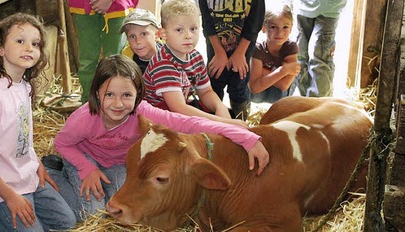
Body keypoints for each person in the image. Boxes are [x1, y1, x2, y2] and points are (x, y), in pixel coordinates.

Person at [51, 54, 269, 221]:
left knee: (122, 201)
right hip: (85, 158)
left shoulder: (143, 112)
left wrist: (244, 136)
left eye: (127, 95)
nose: (118, 104)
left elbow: (189, 123)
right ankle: (54, 172)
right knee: (89, 211)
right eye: (109, 94)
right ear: (97, 94)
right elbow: (61, 143)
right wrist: (86, 169)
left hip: (118, 164)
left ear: (138, 95)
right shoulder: (85, 118)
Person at [0, 13, 77, 232]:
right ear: (0, 49)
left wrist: (37, 164)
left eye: (35, 43)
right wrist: (9, 197)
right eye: (20, 41)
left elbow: (24, 135)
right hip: (1, 189)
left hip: (27, 178)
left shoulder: (24, 87)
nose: (29, 48)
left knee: (66, 222)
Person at [143, 0, 245, 126]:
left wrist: (220, 107)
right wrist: (221, 122)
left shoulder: (195, 56)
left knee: (224, 113)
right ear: (163, 34)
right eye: (179, 30)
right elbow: (178, 108)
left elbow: (206, 91)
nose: (188, 36)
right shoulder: (163, 64)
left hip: (179, 110)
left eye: (193, 29)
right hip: (156, 118)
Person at [197, 0, 265, 120]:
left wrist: (240, 53)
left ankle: (242, 126)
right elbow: (207, 21)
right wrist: (218, 52)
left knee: (239, 85)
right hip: (216, 46)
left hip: (242, 48)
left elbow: (255, 22)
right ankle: (214, 125)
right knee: (214, 81)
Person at [248, 3, 301, 103]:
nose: (280, 33)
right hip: (259, 93)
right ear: (263, 28)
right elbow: (254, 88)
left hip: (277, 93)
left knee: (282, 94)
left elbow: (284, 85)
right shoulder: (258, 48)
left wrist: (263, 71)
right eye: (273, 27)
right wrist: (283, 70)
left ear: (291, 28)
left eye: (285, 27)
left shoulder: (290, 47)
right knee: (247, 79)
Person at [119, 8, 161, 74]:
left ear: (157, 35)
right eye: (132, 36)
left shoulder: (170, 55)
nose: (138, 41)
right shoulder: (126, 58)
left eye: (143, 34)